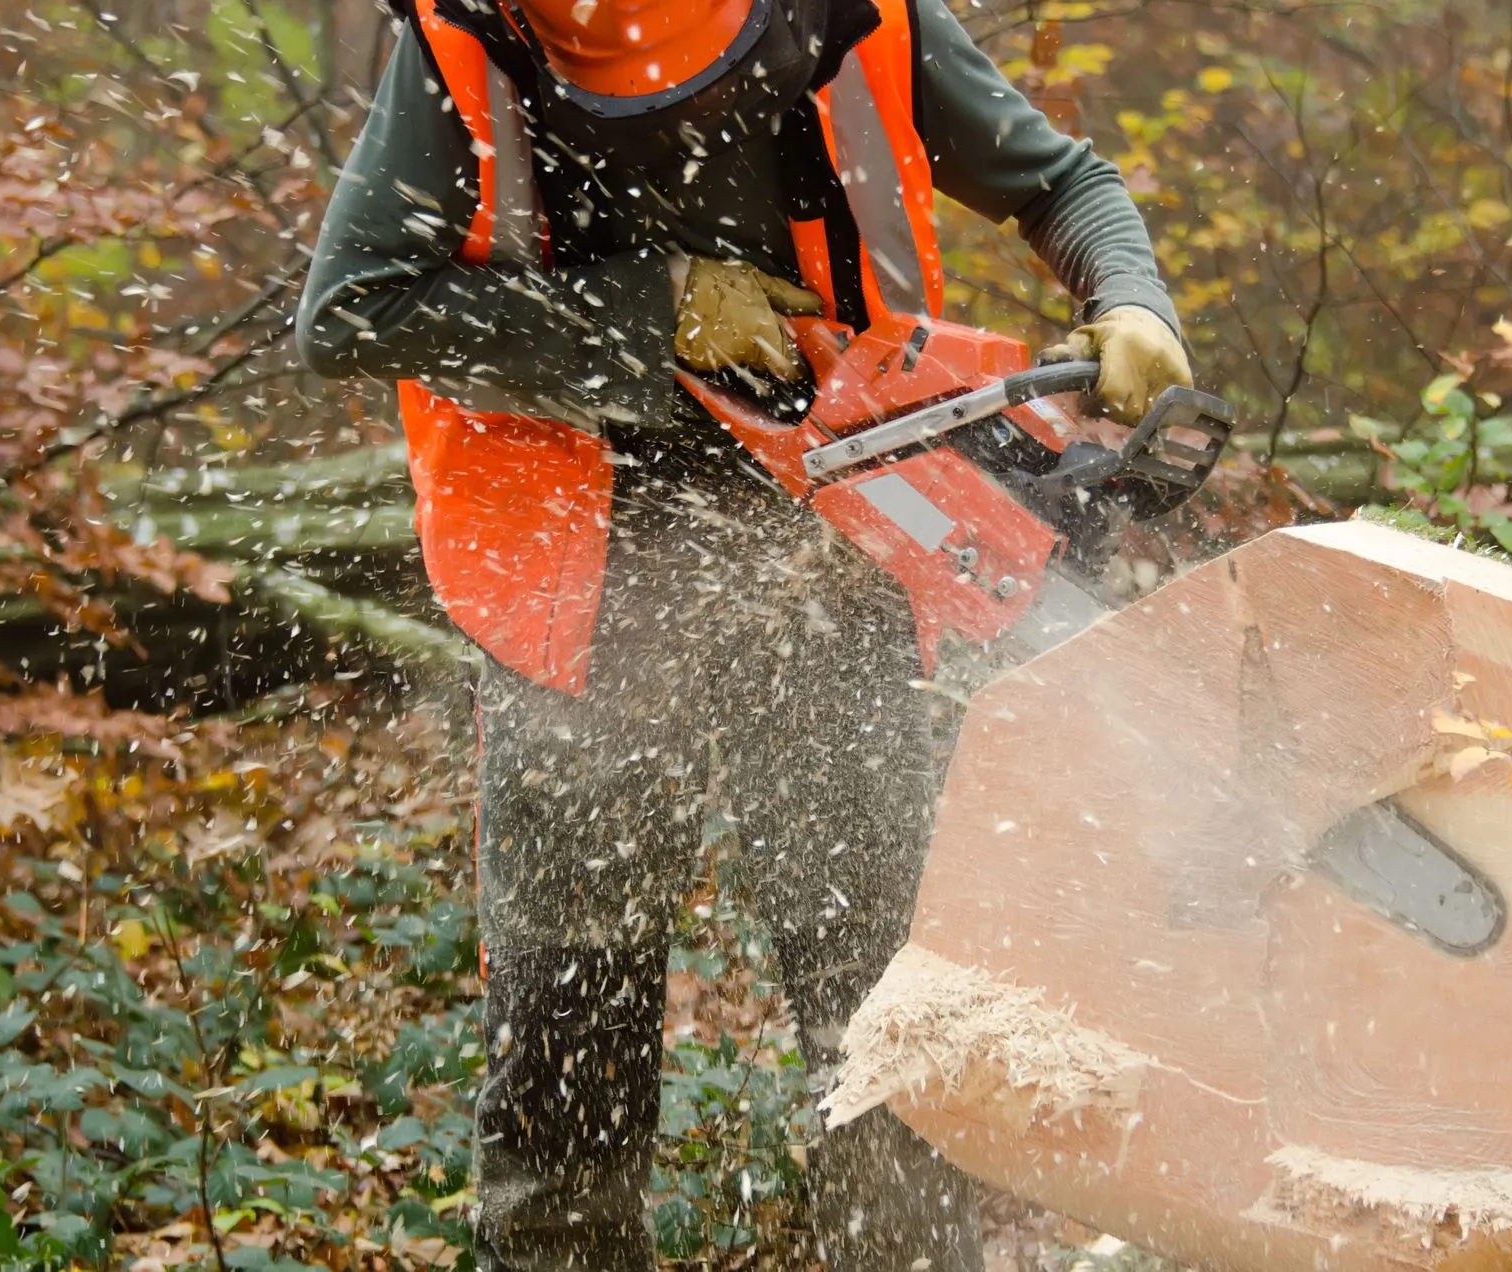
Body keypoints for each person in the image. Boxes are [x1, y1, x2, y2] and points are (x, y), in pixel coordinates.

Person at [296, 0, 1190, 1266]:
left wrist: (1133, 297)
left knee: (887, 1024)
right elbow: (352, 310)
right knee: (566, 1033)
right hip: (580, 593)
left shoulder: (857, 17)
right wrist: (651, 308)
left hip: (841, 559)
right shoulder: (476, 37)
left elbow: (1060, 181)